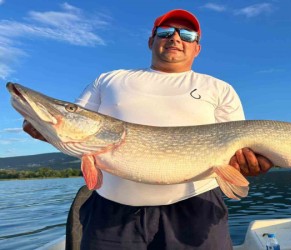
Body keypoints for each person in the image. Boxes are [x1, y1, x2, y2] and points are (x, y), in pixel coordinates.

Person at [24, 9, 273, 250]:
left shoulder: (220, 89)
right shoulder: (109, 80)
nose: (175, 38)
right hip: (112, 210)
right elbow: (76, 127)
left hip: (196, 207)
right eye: (166, 31)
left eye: (187, 35)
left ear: (197, 48)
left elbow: (237, 150)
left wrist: (246, 164)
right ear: (151, 40)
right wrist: (46, 130)